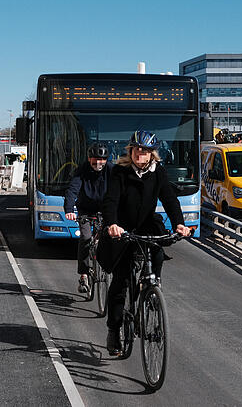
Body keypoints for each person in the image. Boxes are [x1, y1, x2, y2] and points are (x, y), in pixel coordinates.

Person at [101, 130, 191, 356]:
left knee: (158, 252)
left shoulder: (158, 172)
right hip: (123, 228)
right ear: (131, 151)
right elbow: (110, 200)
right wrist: (112, 224)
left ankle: (151, 286)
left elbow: (169, 199)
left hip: (147, 224)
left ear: (153, 154)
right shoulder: (119, 172)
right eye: (138, 149)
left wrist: (179, 223)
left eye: (146, 150)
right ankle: (113, 328)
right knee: (120, 281)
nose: (141, 153)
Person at [64, 142, 112, 294]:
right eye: (95, 159)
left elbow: (121, 188)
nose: (98, 162)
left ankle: (109, 266)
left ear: (106, 159)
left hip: (106, 210)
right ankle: (84, 274)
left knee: (111, 237)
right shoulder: (82, 171)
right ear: (89, 158)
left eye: (102, 159)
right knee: (85, 238)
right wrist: (69, 210)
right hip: (86, 210)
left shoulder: (112, 170)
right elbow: (72, 191)